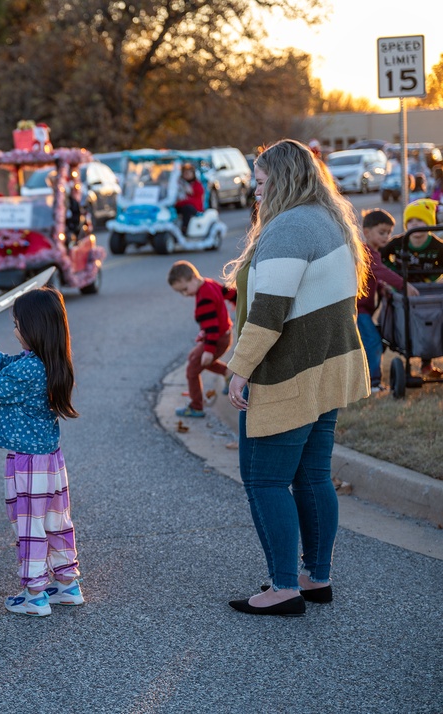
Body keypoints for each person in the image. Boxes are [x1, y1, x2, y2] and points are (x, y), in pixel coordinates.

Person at [223, 139, 370, 617]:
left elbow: (268, 313)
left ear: (282, 180)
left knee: (265, 480)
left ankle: (284, 587)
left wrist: (239, 369)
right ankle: (315, 577)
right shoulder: (330, 221)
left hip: (290, 375)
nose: (255, 193)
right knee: (312, 477)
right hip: (328, 371)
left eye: (261, 182)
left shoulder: (287, 229)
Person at [0, 287, 82, 617]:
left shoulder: (29, 369)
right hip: (51, 460)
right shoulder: (47, 361)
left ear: (33, 328)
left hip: (28, 464)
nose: (14, 330)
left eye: (17, 324)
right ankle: (67, 585)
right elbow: (6, 362)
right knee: (55, 521)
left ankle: (34, 594)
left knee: (29, 525)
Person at [381, 198, 443, 380]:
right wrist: (395, 276)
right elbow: (382, 257)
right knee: (406, 319)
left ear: (429, 224)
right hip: (402, 287)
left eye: (421, 222)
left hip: (425, 288)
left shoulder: (437, 246)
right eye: (412, 222)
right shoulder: (399, 242)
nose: (416, 226)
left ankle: (426, 363)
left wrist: (430, 277)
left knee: (428, 321)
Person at [356, 209, 416, 391]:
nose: (386, 237)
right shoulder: (366, 252)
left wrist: (384, 288)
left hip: (364, 308)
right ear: (366, 232)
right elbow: (380, 271)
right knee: (373, 341)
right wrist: (403, 284)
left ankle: (364, 377)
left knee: (374, 342)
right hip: (358, 308)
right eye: (382, 232)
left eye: (389, 233)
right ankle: (373, 384)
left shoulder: (373, 253)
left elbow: (372, 277)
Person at [168, 260, 236, 417]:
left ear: (193, 277)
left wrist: (209, 350)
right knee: (194, 357)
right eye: (180, 292)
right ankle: (227, 372)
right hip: (223, 336)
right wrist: (236, 300)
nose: (185, 294)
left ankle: (196, 406)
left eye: (185, 289)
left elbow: (211, 326)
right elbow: (228, 292)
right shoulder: (209, 284)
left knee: (192, 370)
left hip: (216, 339)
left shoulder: (203, 299)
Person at [175, 163, 204, 236]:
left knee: (187, 208)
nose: (186, 175)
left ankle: (184, 228)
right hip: (181, 204)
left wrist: (181, 201)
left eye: (188, 173)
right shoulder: (179, 184)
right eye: (185, 173)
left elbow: (195, 199)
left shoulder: (197, 184)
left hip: (194, 207)